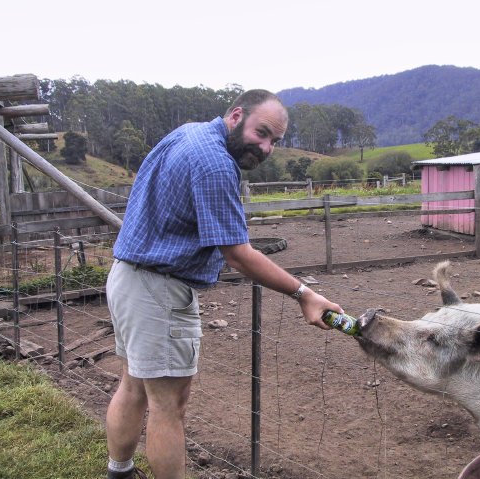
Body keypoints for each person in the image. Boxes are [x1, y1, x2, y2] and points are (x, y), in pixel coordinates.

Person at [104, 89, 342, 479]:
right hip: (158, 291)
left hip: (128, 276)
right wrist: (304, 294)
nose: (265, 148)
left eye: (274, 142)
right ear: (236, 116)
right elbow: (237, 253)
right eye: (261, 133)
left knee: (133, 385)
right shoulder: (215, 164)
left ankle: (120, 472)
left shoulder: (189, 132)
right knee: (168, 406)